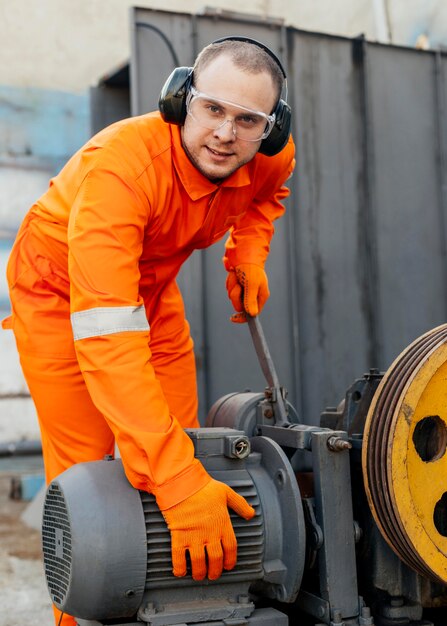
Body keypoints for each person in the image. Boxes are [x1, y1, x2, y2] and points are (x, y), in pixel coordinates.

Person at [3, 36, 295, 625]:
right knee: (90, 474)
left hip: (151, 286)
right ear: (181, 99)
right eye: (213, 108)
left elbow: (267, 199)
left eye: (248, 120)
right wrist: (174, 481)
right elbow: (107, 336)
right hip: (62, 294)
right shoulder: (121, 171)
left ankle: (175, 604)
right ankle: (83, 613)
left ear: (271, 127)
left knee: (186, 445)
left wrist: (248, 255)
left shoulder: (268, 155)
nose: (225, 133)